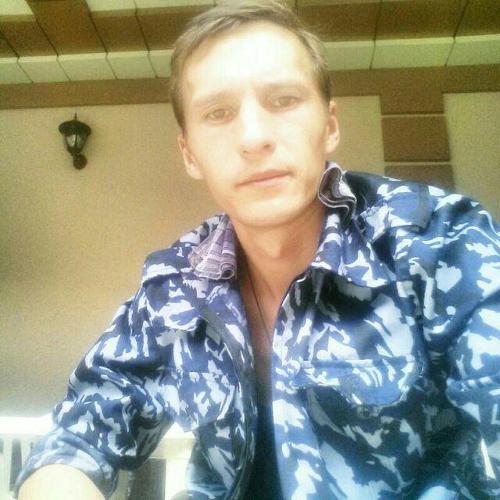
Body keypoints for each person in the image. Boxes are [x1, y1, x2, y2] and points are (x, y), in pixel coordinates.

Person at [16, 1, 500, 499]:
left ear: (330, 125)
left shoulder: (436, 244)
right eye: (218, 112)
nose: (253, 138)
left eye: (284, 100)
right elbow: (75, 439)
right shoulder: (177, 283)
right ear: (189, 154)